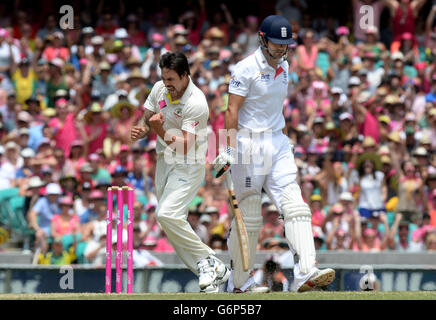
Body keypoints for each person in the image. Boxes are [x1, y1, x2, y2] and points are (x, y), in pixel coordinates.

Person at [213, 15, 335, 293]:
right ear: (262, 39)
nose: (281, 50)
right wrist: (229, 148)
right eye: (276, 44)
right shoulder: (245, 69)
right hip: (248, 145)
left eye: (285, 45)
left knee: (295, 206)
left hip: (278, 142)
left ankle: (305, 272)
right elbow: (231, 110)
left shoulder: (286, 66)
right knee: (250, 215)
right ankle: (239, 283)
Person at [130, 51, 230, 293]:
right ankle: (211, 270)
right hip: (164, 161)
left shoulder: (196, 102)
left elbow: (185, 145)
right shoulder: (159, 88)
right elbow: (149, 112)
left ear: (185, 76)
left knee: (166, 214)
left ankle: (208, 259)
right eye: (164, 78)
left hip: (188, 162)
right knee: (171, 222)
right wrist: (143, 128)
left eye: (171, 79)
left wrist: (158, 131)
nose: (167, 85)